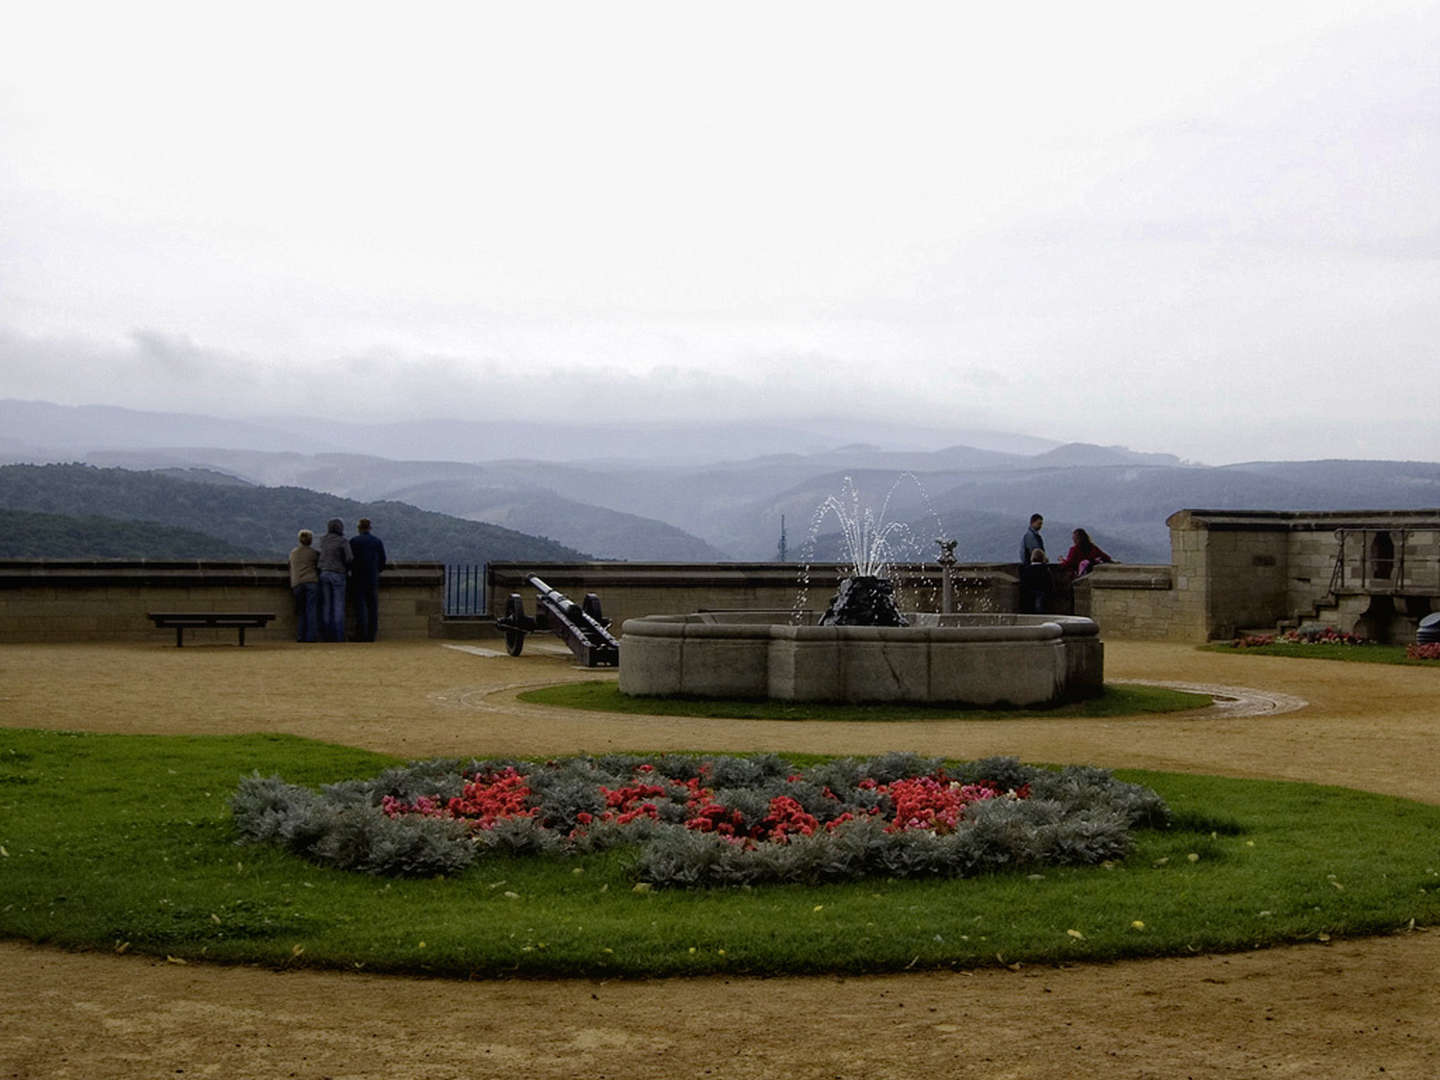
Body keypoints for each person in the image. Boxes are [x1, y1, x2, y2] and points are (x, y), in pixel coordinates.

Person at [348, 517, 388, 643]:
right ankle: (371, 635)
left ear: (359, 528)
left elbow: (349, 559)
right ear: (370, 528)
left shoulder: (354, 541)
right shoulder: (377, 541)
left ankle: (360, 634)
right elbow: (382, 560)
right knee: (372, 607)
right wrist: (376, 571)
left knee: (360, 607)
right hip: (372, 577)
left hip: (358, 577)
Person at [316, 518, 353, 642]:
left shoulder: (323, 540)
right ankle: (338, 636)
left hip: (324, 573)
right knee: (338, 605)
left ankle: (326, 636)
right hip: (338, 573)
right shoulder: (343, 541)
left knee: (326, 605)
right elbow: (349, 558)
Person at [287, 529, 320, 642]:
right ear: (310, 540)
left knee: (301, 611)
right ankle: (311, 637)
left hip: (297, 583)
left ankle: (301, 636)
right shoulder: (314, 553)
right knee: (311, 610)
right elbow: (319, 565)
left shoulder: (293, 553)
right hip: (311, 582)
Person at [1019, 545, 1051, 613]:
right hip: (1042, 596)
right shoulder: (1045, 570)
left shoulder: (1026, 570)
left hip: (1028, 596)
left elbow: (1023, 585)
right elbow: (1049, 584)